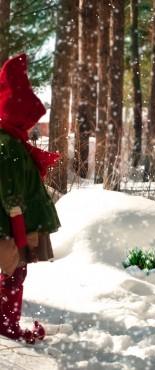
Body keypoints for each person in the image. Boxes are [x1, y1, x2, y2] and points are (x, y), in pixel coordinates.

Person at [0, 54, 61, 344]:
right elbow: (11, 193)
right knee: (12, 273)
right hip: (10, 227)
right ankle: (6, 325)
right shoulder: (8, 144)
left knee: (11, 274)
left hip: (12, 225)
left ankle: (6, 322)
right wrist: (21, 234)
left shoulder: (11, 140)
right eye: (29, 120)